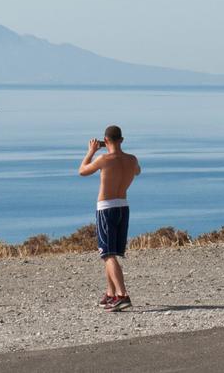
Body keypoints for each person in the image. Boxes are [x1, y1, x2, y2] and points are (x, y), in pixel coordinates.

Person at [78, 125, 140, 310]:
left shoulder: (103, 159)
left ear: (105, 141)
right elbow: (137, 171)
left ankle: (122, 295)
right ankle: (111, 293)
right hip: (123, 206)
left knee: (107, 254)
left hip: (106, 208)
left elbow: (82, 171)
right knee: (112, 252)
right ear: (122, 140)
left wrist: (90, 151)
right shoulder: (131, 159)